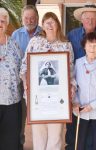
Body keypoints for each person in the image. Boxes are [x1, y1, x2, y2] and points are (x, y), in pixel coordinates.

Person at [20, 12, 75, 150]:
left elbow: (71, 71)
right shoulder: (35, 42)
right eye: (47, 22)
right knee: (39, 135)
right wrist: (26, 82)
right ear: (43, 25)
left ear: (58, 24)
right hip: (37, 97)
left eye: (53, 22)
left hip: (58, 98)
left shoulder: (66, 45)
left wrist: (71, 88)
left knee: (56, 136)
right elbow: (24, 67)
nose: (50, 25)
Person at [65, 2, 96, 150]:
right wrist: (74, 100)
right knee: (76, 139)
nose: (90, 21)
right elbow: (68, 67)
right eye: (87, 18)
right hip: (78, 102)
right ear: (81, 19)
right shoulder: (71, 35)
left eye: (93, 18)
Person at [12, 5, 42, 149]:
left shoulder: (44, 33)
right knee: (20, 116)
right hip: (20, 83)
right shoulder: (16, 35)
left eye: (32, 18)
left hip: (40, 84)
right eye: (26, 18)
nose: (29, 20)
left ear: (37, 18)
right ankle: (20, 143)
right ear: (22, 19)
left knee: (41, 114)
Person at [0, 8, 23, 150]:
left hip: (12, 101)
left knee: (11, 141)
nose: (0, 24)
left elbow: (23, 68)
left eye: (2, 21)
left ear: (7, 24)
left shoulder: (14, 44)